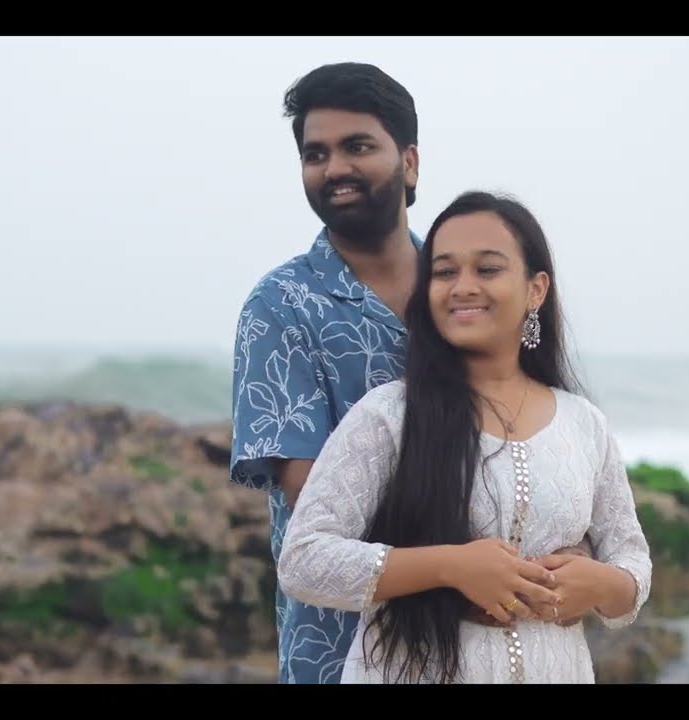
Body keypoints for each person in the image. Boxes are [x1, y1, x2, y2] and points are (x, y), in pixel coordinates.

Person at [228, 62, 592, 685]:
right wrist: (463, 564)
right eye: (316, 154)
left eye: (358, 146)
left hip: (494, 639)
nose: (335, 167)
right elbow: (306, 486)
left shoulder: (464, 284)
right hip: (344, 640)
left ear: (410, 162)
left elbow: (535, 426)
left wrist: (560, 551)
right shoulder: (282, 305)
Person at [275, 189, 652, 684]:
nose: (462, 287)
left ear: (536, 290)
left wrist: (604, 583)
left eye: (488, 269)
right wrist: (451, 566)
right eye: (445, 272)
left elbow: (632, 559)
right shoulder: (391, 414)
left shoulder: (584, 424)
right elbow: (304, 559)